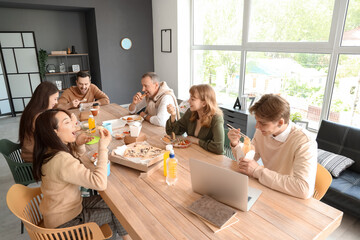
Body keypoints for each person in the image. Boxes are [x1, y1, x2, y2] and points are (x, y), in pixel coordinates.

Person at [32, 109, 129, 240]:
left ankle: (125, 237)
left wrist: (77, 144)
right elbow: (99, 183)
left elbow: (72, 163)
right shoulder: (62, 160)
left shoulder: (49, 151)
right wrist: (103, 148)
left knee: (113, 204)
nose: (74, 124)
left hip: (64, 209)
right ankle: (126, 238)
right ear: (54, 132)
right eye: (67, 122)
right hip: (64, 225)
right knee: (116, 213)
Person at [228, 94, 317, 199]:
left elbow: (304, 189)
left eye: (262, 123)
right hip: (267, 188)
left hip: (290, 198)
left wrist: (257, 171)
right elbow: (247, 160)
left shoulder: (305, 142)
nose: (256, 126)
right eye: (256, 121)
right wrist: (236, 144)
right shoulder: (262, 131)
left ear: (280, 122)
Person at [166, 84, 224, 155]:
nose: (188, 101)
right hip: (193, 153)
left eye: (193, 99)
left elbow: (219, 148)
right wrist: (173, 115)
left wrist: (197, 141)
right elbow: (172, 133)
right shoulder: (190, 113)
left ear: (204, 103)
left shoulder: (216, 118)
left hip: (210, 158)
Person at [19, 81, 59, 162]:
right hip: (35, 159)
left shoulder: (31, 110)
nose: (56, 102)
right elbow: (51, 139)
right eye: (55, 99)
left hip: (29, 153)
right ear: (45, 97)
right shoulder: (38, 117)